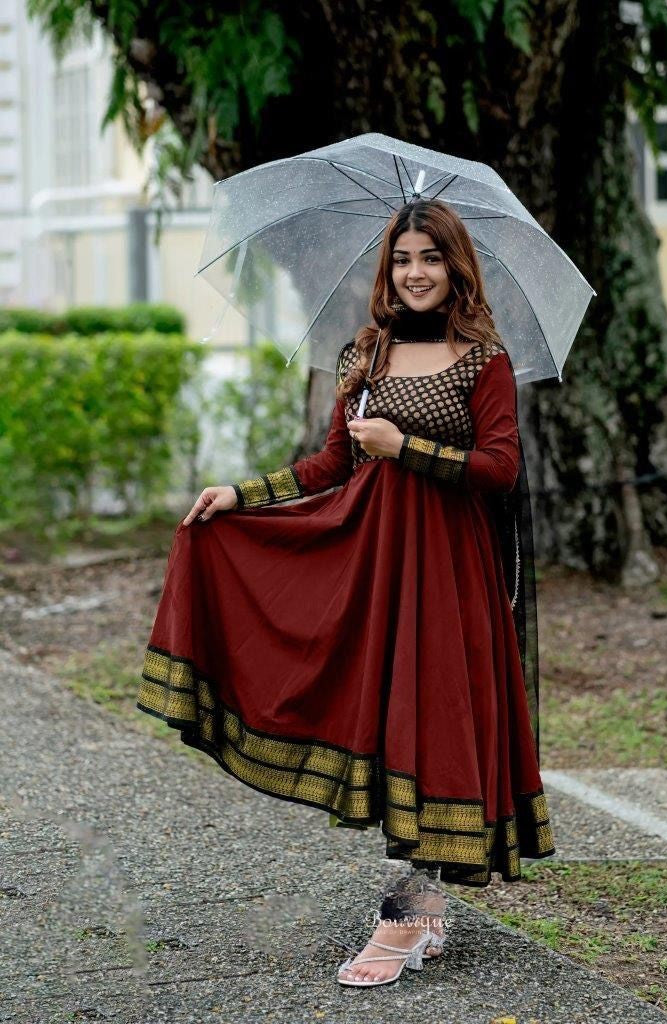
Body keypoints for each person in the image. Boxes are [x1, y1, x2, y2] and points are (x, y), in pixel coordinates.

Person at [136, 197, 556, 987]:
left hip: (449, 574)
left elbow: (501, 467)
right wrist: (241, 494)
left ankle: (406, 916)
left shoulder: (482, 360)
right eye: (402, 259)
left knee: (436, 729)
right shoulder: (365, 352)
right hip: (371, 569)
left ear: (456, 267)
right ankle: (424, 911)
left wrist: (409, 447)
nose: (415, 272)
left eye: (430, 257)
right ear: (386, 270)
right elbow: (328, 465)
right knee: (384, 722)